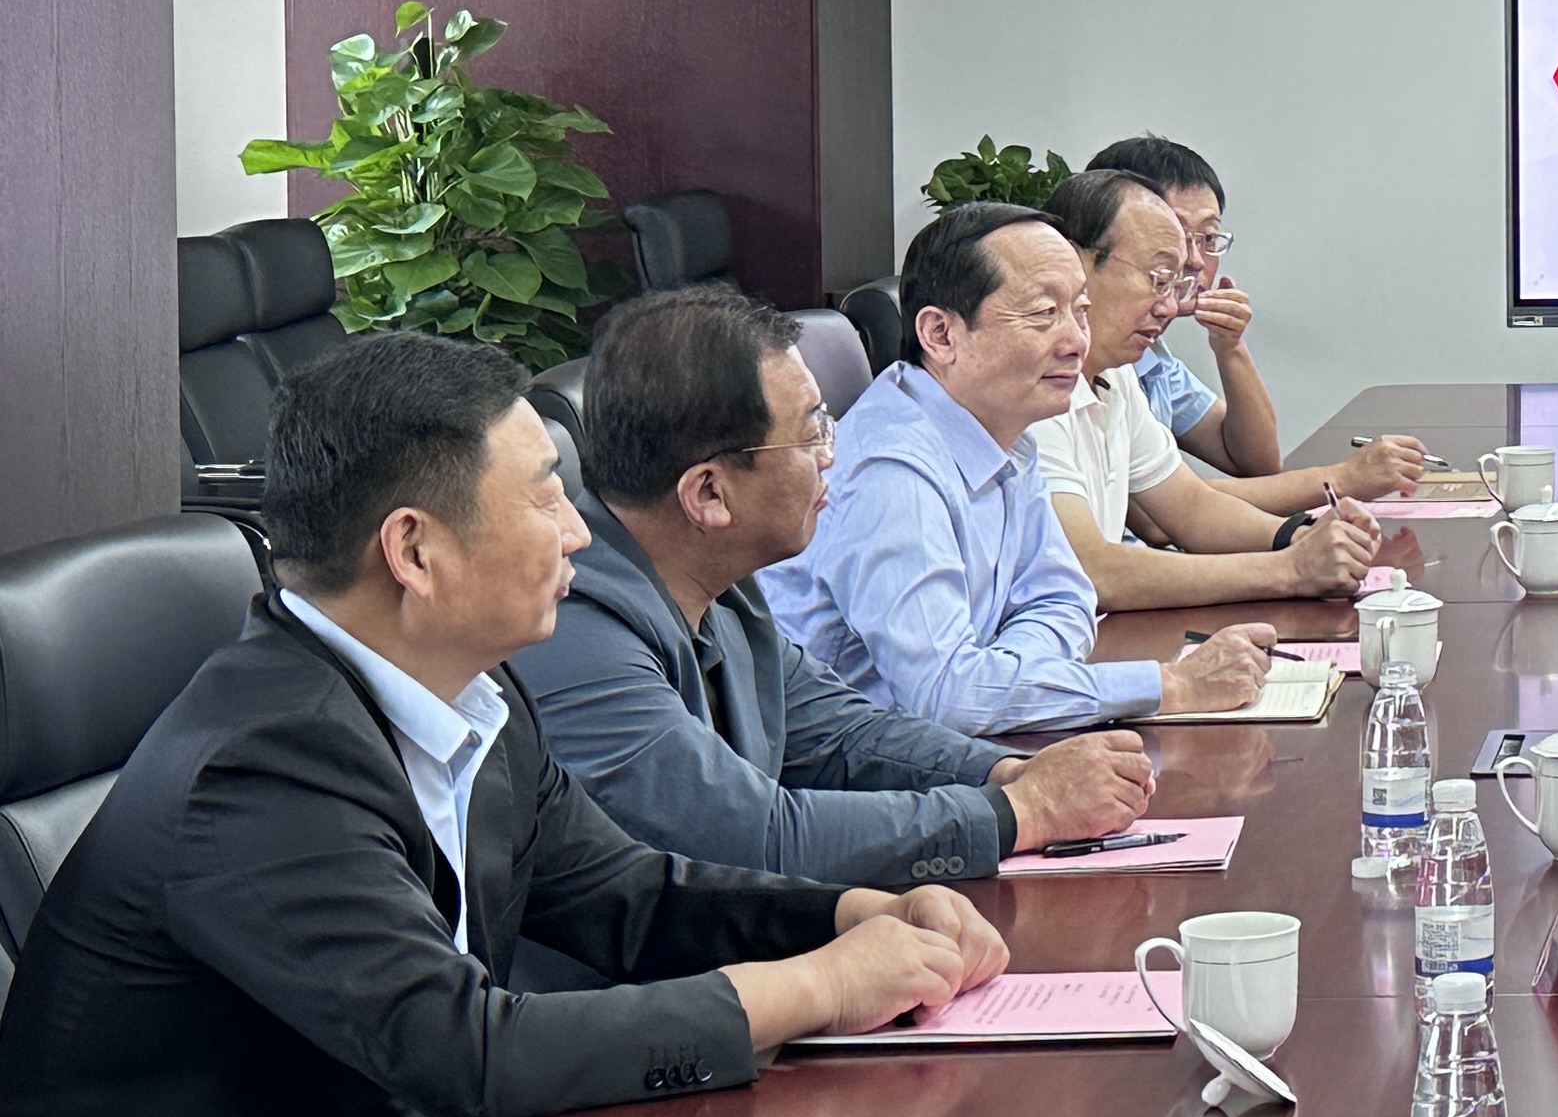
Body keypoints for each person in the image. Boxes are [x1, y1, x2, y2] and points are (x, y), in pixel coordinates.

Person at [0, 336, 1004, 1117]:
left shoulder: (475, 697)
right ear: (414, 549)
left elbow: (628, 897)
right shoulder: (260, 769)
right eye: (545, 495)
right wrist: (819, 985)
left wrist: (849, 915)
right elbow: (466, 1052)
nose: (578, 532)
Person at [514, 285, 1160, 902]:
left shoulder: (720, 588)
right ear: (708, 493)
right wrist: (1019, 812)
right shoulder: (576, 631)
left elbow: (842, 733)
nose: (833, 454)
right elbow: (752, 838)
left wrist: (1005, 772)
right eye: (812, 432)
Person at [765, 202, 1280, 738]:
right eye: (1043, 314)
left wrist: (1006, 674)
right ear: (940, 334)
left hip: (969, 742)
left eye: (1080, 311)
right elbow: (947, 697)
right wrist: (1170, 686)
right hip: (858, 768)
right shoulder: (892, 472)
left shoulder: (1004, 428)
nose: (1076, 342)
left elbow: (1066, 597)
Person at [1029, 169, 1384, 617]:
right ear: (1074, 265)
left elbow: (1190, 506)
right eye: (1158, 279)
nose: (1169, 306)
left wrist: (1299, 536)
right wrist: (1291, 569)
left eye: (1174, 285)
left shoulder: (1115, 376)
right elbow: (1094, 571)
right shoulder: (1032, 389)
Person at [1085, 134, 1426, 507]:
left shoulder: (1154, 357)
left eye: (1209, 237)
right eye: (1179, 236)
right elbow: (1158, 513)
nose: (1195, 260)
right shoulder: (1089, 360)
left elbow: (1256, 463)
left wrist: (1230, 347)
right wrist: (1342, 479)